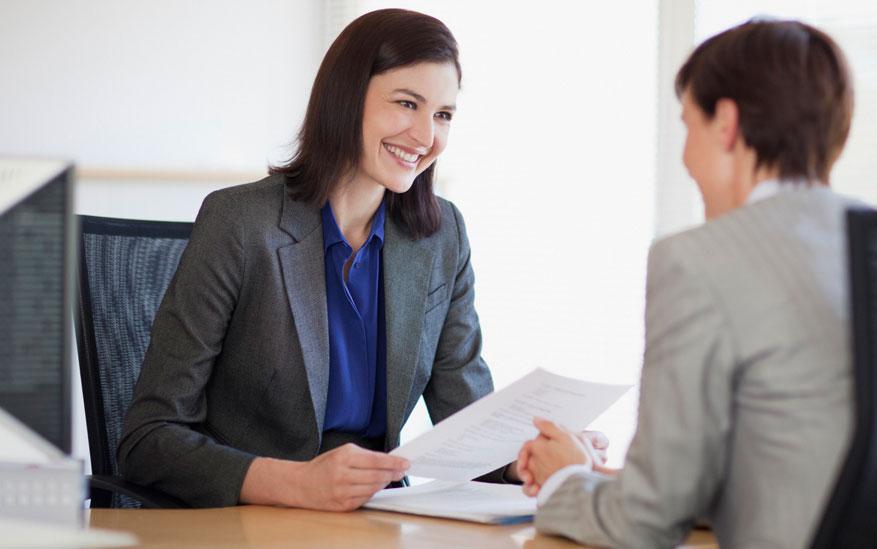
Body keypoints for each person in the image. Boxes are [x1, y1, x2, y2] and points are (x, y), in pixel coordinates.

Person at [118, 8, 605, 511]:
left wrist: (527, 456)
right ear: (346, 99)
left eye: (442, 115)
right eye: (406, 104)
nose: (425, 137)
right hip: (254, 522)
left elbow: (466, 421)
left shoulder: (441, 237)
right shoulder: (240, 223)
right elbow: (148, 439)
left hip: (379, 519)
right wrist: (297, 484)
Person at [517, 19, 857, 548]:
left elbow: (645, 524)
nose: (686, 158)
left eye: (687, 127)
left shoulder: (696, 260)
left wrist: (564, 480)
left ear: (726, 123)